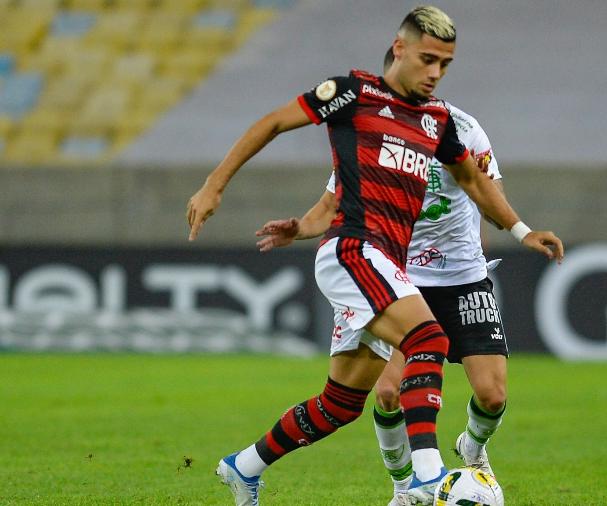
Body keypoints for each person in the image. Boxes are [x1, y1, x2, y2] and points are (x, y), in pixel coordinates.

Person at [185, 6, 564, 505]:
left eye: (445, 64)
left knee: (340, 404)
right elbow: (274, 122)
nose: (435, 73)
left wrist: (521, 231)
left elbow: (473, 180)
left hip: (386, 263)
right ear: (399, 48)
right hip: (352, 250)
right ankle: (427, 481)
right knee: (428, 337)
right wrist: (214, 187)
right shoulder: (354, 94)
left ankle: (244, 466)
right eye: (428, 59)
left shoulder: (438, 122)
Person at [255, 47, 511, 506]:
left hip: (461, 274)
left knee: (492, 395)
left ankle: (471, 448)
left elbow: (485, 195)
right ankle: (406, 489)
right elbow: (333, 201)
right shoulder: (372, 129)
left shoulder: (462, 129)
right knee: (388, 391)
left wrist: (501, 244)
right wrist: (299, 228)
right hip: (398, 274)